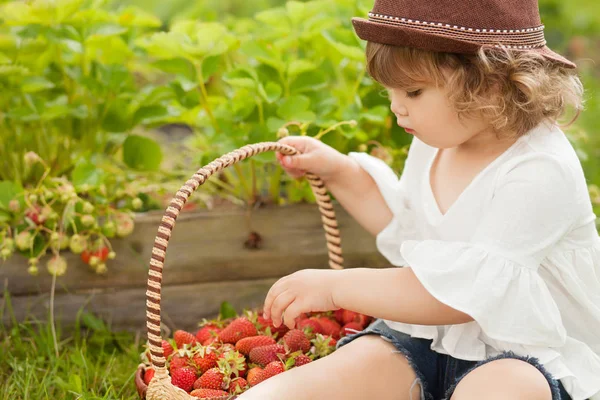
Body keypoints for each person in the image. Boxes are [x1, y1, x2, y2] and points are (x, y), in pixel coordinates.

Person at [238, 0, 600, 399]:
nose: (396, 106)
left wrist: (336, 287)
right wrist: (339, 172)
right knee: (285, 392)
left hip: (526, 354)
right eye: (390, 91)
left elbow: (463, 294)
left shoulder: (539, 168)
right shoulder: (438, 140)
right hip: (429, 338)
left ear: (492, 83)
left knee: (504, 389)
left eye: (413, 90)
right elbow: (407, 226)